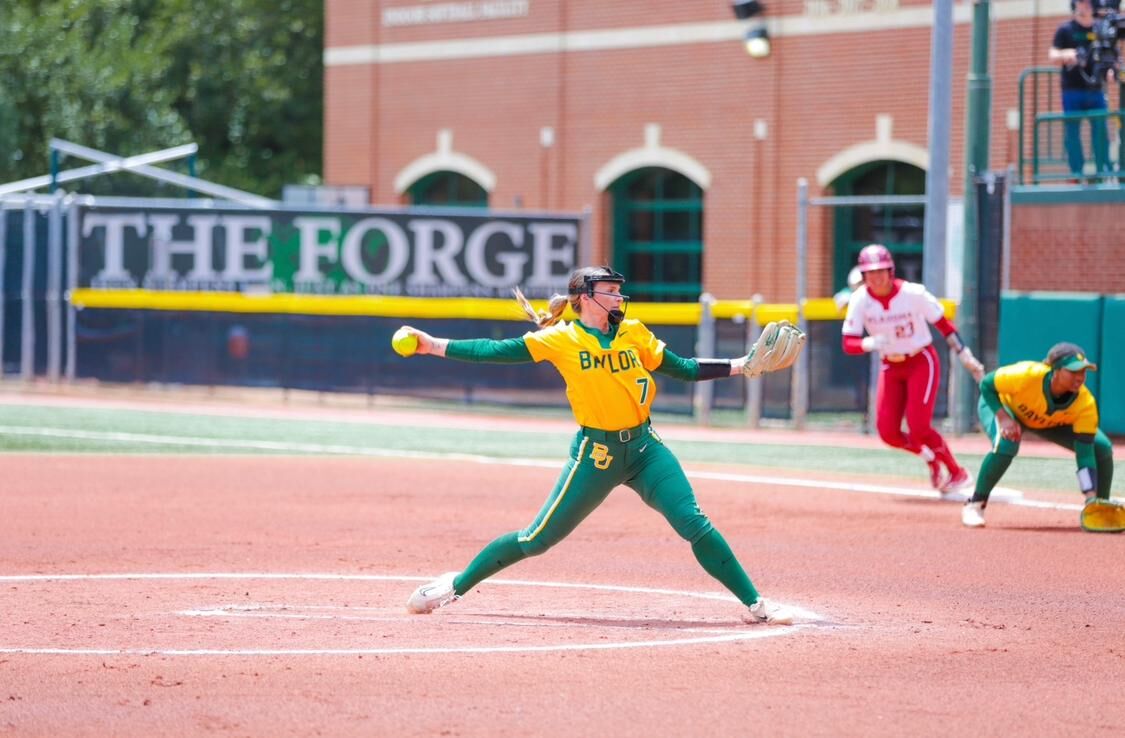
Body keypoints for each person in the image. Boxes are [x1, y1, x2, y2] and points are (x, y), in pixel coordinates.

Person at [399, 266, 805, 625]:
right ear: (584, 298)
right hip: (597, 455)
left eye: (617, 290)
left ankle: (757, 605)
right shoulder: (563, 338)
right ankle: (455, 585)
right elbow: (494, 351)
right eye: (610, 291)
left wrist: (742, 365)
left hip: (646, 449)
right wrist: (432, 344)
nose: (618, 297)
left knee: (694, 523)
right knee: (536, 539)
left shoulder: (633, 332)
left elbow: (681, 367)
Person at [841, 244, 985, 495]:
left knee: (919, 426)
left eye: (881, 271)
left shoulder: (913, 293)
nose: (876, 278)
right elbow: (848, 343)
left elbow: (943, 324)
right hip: (890, 364)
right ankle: (929, 457)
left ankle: (957, 472)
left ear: (891, 270)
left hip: (920, 360)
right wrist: (869, 343)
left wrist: (964, 354)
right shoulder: (860, 299)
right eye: (870, 273)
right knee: (888, 432)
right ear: (863, 276)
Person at [962, 342, 1116, 529]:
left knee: (1101, 447)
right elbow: (987, 384)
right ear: (1056, 370)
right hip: (1004, 407)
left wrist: (1089, 495)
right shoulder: (1027, 375)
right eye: (1073, 371)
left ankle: (1098, 508)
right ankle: (974, 504)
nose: (1080, 377)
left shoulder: (1085, 404)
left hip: (1046, 422)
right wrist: (1003, 418)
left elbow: (1084, 454)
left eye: (1083, 371)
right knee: (1007, 443)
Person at [1048, 0, 1112, 181]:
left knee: (1100, 131)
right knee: (1072, 134)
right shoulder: (1065, 29)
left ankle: (1103, 171)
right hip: (1072, 90)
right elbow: (1052, 55)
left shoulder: (1101, 29)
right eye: (1081, 2)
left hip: (1096, 90)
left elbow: (1110, 55)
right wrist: (1067, 54)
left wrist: (1109, 70)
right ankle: (1076, 172)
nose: (1085, 6)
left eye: (1089, 2)